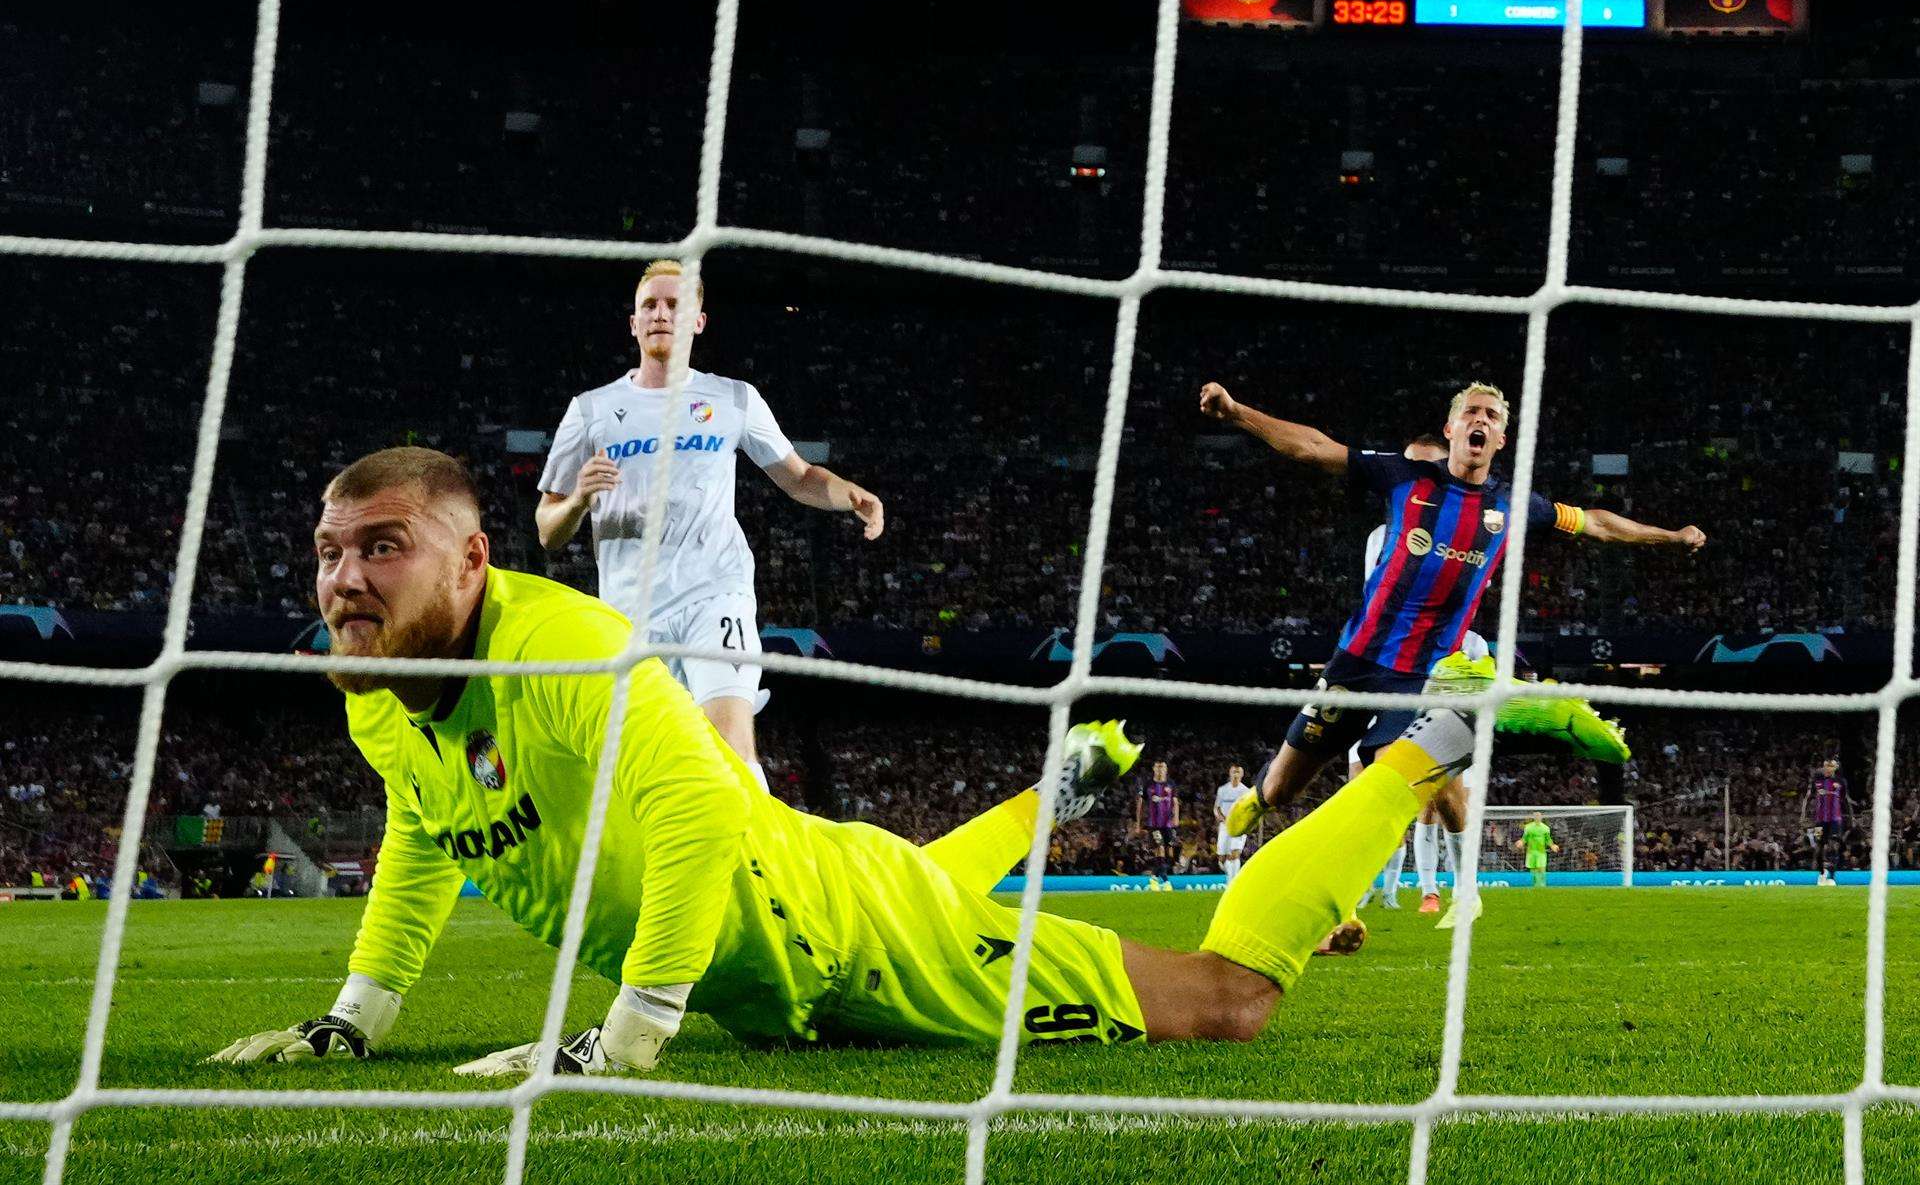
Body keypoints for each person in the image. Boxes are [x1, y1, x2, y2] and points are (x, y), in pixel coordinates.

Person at [213, 446, 1537, 1073]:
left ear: (472, 557)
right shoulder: (377, 688)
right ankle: (1065, 788)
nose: (343, 578)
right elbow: (426, 831)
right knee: (897, 867)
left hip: (841, 938)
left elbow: (699, 830)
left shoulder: (570, 652)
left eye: (380, 546)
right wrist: (359, 1014)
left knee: (1227, 997)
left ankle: (1432, 741)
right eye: (330, 551)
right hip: (787, 944)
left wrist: (626, 1033)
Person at [1204, 381, 1695, 843]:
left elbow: (1597, 524)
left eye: (1492, 416)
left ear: (1501, 438)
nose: (1480, 420)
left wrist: (1670, 538)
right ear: (1451, 428)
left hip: (1422, 678)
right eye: (1471, 412)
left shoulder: (1514, 503)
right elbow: (1312, 447)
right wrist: (1236, 412)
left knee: (1388, 777)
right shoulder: (1405, 475)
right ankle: (1259, 798)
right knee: (1286, 788)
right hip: (1355, 663)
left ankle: (1356, 886)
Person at [534, 260, 885, 790]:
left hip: (714, 595)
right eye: (650, 305)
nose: (660, 314)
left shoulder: (733, 399)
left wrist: (849, 495)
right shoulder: (591, 412)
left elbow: (799, 476)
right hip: (631, 616)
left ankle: (763, 867)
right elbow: (547, 529)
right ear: (632, 323)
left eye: (675, 305)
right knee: (657, 772)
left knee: (730, 748)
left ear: (698, 321)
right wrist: (580, 499)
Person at [1801, 755, 1852, 884]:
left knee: (1834, 846)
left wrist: (1850, 818)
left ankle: (1833, 876)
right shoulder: (1816, 782)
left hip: (1835, 820)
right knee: (1819, 846)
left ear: (1835, 767)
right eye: (1826, 766)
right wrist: (1803, 815)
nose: (1828, 768)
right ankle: (1821, 873)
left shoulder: (1841, 782)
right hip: (1820, 821)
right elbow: (1808, 798)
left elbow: (1845, 800)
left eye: (1831, 766)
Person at [1136, 761, 1180, 890]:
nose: (1160, 770)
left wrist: (1176, 817)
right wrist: (1138, 823)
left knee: (1168, 853)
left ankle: (1154, 878)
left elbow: (1175, 801)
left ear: (1166, 769)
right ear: (1154, 769)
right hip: (1153, 824)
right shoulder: (1148, 785)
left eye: (1163, 767)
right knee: (1159, 847)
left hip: (1167, 824)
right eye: (1158, 767)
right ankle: (1166, 881)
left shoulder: (1171, 784)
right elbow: (1140, 804)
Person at [1212, 764, 1251, 882]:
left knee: (1234, 854)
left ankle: (1232, 882)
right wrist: (1222, 819)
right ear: (1230, 773)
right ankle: (1229, 874)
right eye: (1234, 772)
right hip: (1224, 826)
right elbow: (1216, 808)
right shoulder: (1223, 790)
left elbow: (1248, 810)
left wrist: (1243, 821)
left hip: (1239, 826)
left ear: (1242, 775)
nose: (1236, 775)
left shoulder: (1246, 791)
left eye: (1238, 772)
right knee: (1222, 858)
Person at [1520, 812, 1558, 887]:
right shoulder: (1528, 827)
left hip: (1541, 852)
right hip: (1531, 852)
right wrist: (1521, 842)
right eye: (1536, 816)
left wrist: (1552, 846)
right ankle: (1535, 885)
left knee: (1541, 868)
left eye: (1539, 816)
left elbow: (1548, 839)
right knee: (1533, 869)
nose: (1537, 817)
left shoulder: (1545, 828)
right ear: (1533, 817)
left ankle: (1542, 885)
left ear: (1541, 818)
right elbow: (1525, 838)